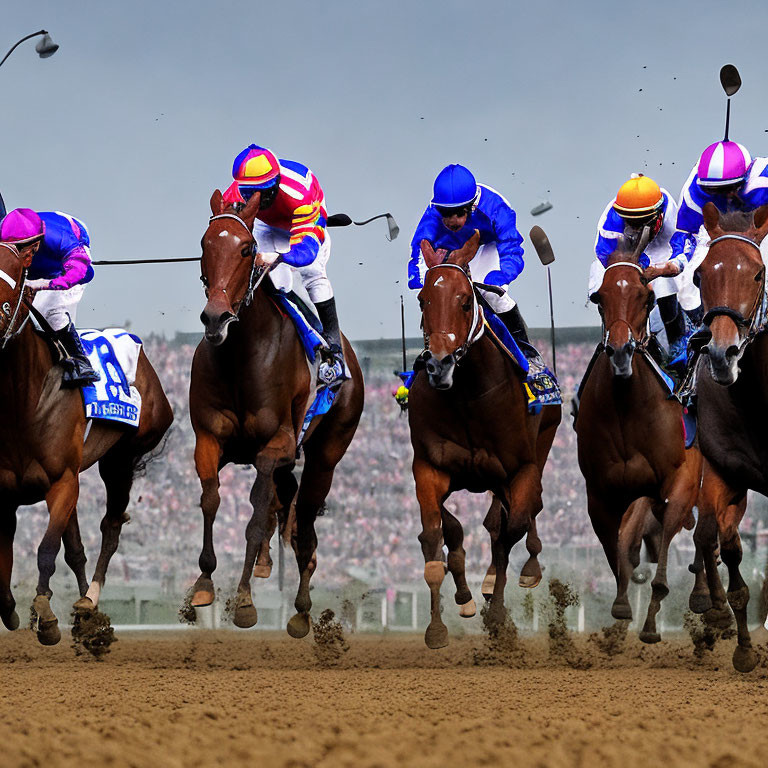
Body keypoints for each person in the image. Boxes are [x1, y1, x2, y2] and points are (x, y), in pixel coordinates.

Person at [222, 144, 346, 389]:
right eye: (249, 193)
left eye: (263, 193)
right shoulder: (236, 193)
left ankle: (333, 341)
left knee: (313, 275)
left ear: (275, 184)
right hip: (267, 226)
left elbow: (306, 254)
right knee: (277, 283)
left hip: (305, 223)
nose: (256, 200)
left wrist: (275, 257)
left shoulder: (299, 194)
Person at [408, 163, 531, 345]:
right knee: (438, 298)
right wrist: (421, 283)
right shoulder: (432, 214)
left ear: (471, 205)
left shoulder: (496, 208)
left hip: (488, 246)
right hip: (452, 254)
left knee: (492, 296)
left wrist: (501, 276)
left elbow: (511, 246)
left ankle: (528, 354)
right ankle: (431, 353)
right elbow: (419, 248)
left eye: (458, 213)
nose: (452, 221)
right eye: (446, 214)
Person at [590, 174, 698, 363]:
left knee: (671, 282)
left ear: (659, 215)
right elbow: (605, 256)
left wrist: (668, 268)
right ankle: (611, 337)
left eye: (642, 222)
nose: (637, 227)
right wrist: (637, 272)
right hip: (626, 259)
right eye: (631, 222)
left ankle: (679, 339)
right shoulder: (610, 224)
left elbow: (686, 246)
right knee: (605, 283)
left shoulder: (672, 215)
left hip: (661, 248)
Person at [0, 208, 99, 386]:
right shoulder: (6, 235)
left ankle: (80, 361)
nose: (17, 253)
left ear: (36, 244)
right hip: (39, 261)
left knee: (51, 311)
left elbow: (86, 274)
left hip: (68, 256)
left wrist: (43, 285)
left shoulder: (59, 239)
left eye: (22, 249)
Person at [672, 140, 768, 270]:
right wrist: (676, 264)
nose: (725, 195)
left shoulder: (762, 182)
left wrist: (756, 237)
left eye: (730, 187)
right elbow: (686, 237)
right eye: (714, 190)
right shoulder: (693, 196)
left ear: (746, 177)